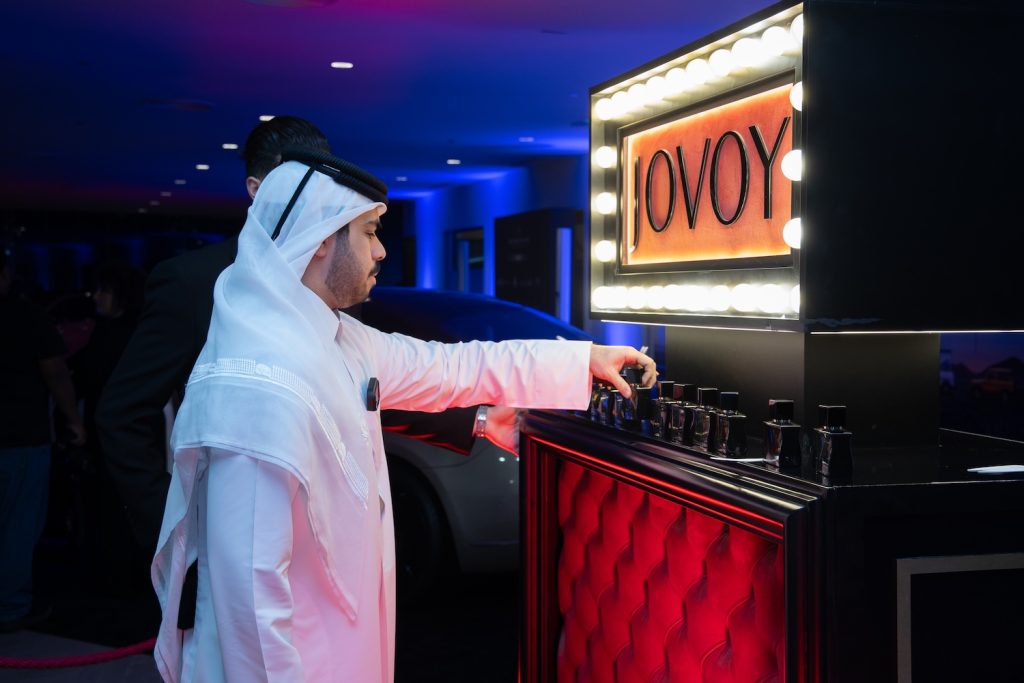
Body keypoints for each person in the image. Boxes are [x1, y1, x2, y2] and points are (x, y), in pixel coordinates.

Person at [150, 148, 656, 682]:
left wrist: (583, 360)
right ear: (320, 239)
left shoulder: (339, 338)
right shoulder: (256, 381)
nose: (381, 250)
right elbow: (250, 609)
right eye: (369, 232)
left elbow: (452, 366)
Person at [0, 250, 86, 632]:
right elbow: (56, 372)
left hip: (19, 436)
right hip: (20, 436)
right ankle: (10, 608)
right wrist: (74, 421)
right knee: (18, 525)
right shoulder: (25, 315)